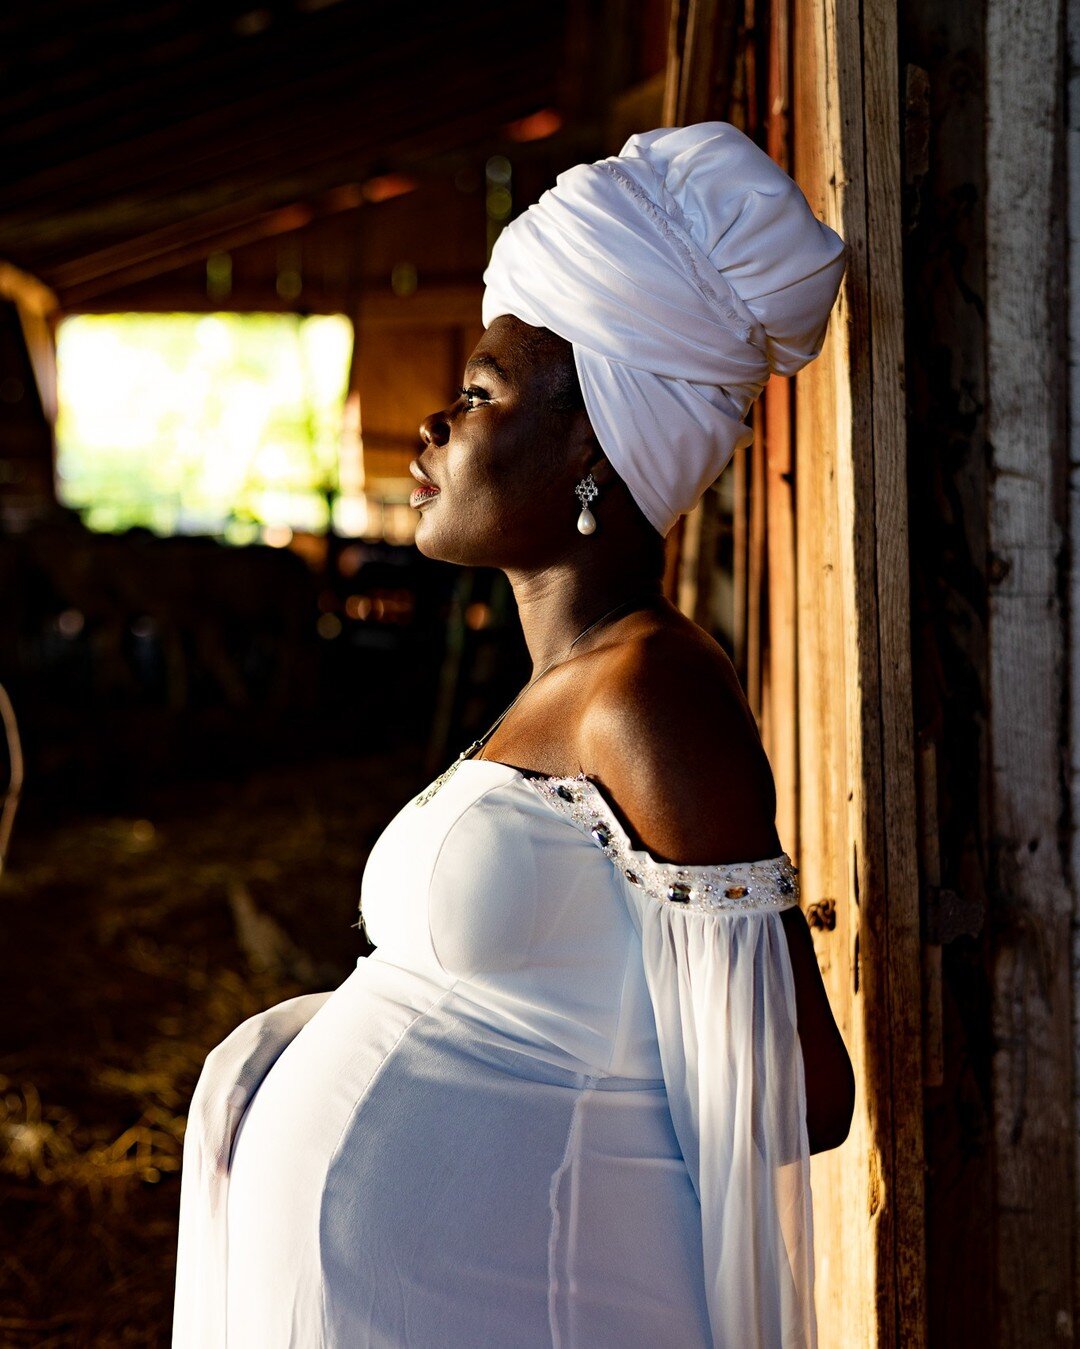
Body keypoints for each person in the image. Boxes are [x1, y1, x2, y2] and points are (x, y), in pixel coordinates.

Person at [173, 122, 855, 1348]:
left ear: (589, 438)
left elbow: (801, 1089)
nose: (434, 426)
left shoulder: (648, 693)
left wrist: (527, 1142)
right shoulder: (563, 686)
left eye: (479, 394)